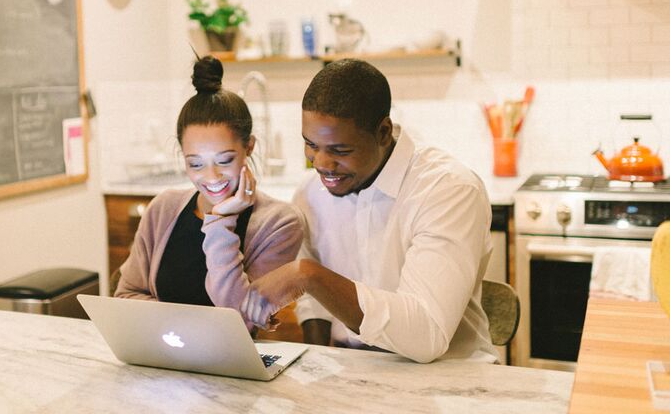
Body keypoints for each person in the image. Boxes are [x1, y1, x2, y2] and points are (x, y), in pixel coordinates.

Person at [240, 59, 498, 363]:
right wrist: (315, 366)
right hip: (351, 375)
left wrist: (308, 276)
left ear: (383, 132)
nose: (321, 163)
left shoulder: (447, 190)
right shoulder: (310, 193)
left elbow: (427, 335)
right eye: (311, 145)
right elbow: (316, 306)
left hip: (450, 381)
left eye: (339, 150)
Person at [115, 56, 303, 331]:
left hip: (233, 368)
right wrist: (182, 331)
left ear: (249, 147)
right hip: (159, 357)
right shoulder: (163, 209)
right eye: (196, 164)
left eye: (224, 160)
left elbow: (241, 318)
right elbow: (125, 296)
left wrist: (220, 219)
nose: (211, 177)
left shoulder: (280, 223)